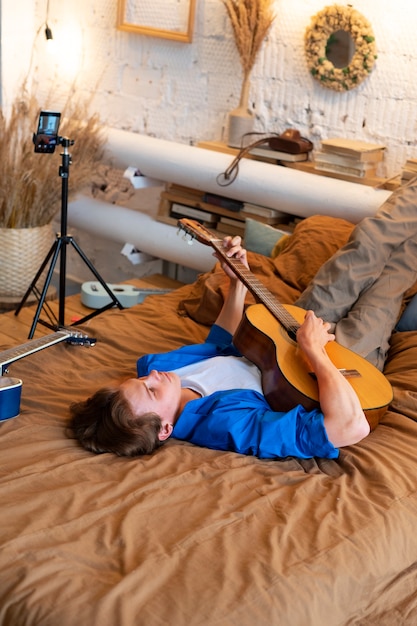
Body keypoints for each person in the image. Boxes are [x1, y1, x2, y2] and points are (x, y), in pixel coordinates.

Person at [70, 236, 370, 461]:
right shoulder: (226, 424)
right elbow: (349, 427)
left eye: (139, 382)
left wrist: (236, 280)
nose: (152, 376)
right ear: (165, 429)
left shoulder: (163, 371)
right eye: (151, 391)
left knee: (357, 256)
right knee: (380, 290)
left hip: (288, 337)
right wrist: (314, 350)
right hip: (332, 372)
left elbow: (219, 347)